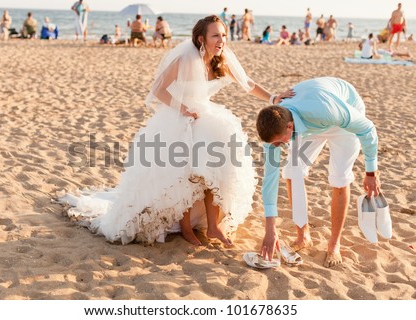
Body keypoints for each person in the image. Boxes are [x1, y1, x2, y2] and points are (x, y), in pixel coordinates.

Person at [57, 15, 293, 247]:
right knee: (186, 172)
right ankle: (186, 228)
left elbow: (247, 83)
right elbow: (158, 90)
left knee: (218, 166)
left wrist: (273, 97)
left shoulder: (223, 58)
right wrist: (184, 109)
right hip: (180, 116)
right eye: (215, 36)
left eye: (223, 35)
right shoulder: (185, 58)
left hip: (205, 116)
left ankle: (213, 225)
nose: (221, 40)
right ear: (201, 39)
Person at [256, 77, 380, 268]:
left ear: (289, 127)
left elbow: (367, 129)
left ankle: (334, 244)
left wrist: (371, 172)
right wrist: (270, 228)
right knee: (291, 172)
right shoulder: (275, 130)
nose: (277, 147)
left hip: (341, 117)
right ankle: (303, 235)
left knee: (339, 177)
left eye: (280, 142)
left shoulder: (328, 111)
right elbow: (270, 180)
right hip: (309, 123)